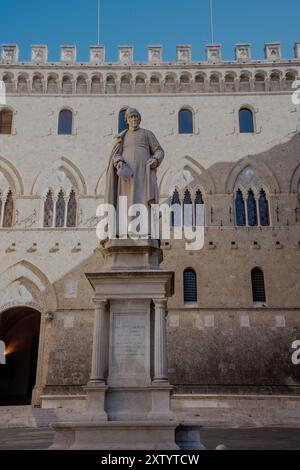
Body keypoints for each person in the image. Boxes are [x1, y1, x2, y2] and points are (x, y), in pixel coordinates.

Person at [104, 108, 164, 237]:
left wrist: (155, 159)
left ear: (139, 119)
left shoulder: (148, 134)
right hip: (126, 176)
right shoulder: (122, 136)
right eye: (131, 117)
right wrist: (119, 162)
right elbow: (115, 154)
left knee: (143, 200)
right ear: (127, 120)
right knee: (125, 201)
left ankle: (145, 231)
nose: (134, 119)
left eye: (136, 117)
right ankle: (124, 231)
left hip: (143, 174)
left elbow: (159, 150)